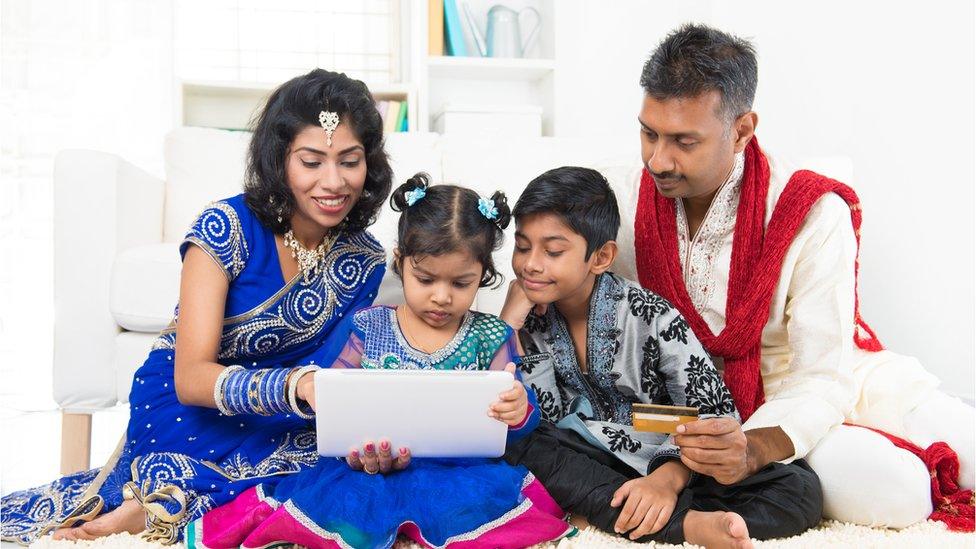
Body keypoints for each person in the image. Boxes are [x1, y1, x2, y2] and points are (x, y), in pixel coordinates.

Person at [1, 68, 394, 545]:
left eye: (349, 161)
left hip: (289, 417)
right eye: (311, 162)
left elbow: (337, 367)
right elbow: (190, 378)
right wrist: (295, 384)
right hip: (192, 406)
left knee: (358, 473)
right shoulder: (224, 227)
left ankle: (158, 509)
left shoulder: (364, 260)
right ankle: (150, 509)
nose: (333, 182)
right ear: (279, 160)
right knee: (261, 480)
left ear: (368, 164)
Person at [630, 24, 974, 530]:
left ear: (743, 130)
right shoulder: (622, 197)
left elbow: (823, 372)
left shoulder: (811, 209)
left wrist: (752, 452)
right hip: (735, 410)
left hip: (829, 377)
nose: (658, 159)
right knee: (900, 496)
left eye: (684, 141)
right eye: (648, 132)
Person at [185, 175, 574, 549]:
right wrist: (354, 444)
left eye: (460, 284)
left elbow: (519, 423)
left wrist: (519, 409)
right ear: (401, 262)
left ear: (483, 276)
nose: (442, 297)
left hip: (459, 470)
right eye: (425, 279)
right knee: (345, 512)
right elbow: (331, 399)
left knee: (478, 511)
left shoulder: (491, 335)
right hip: (368, 470)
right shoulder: (367, 327)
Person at [499, 166, 822, 549]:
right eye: (522, 247)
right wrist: (508, 324)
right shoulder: (525, 320)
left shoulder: (651, 315)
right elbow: (526, 413)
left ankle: (617, 510)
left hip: (672, 462)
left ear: (601, 257)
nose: (531, 264)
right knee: (522, 446)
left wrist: (665, 480)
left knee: (799, 490)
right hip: (583, 458)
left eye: (552, 251)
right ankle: (685, 527)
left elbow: (713, 413)